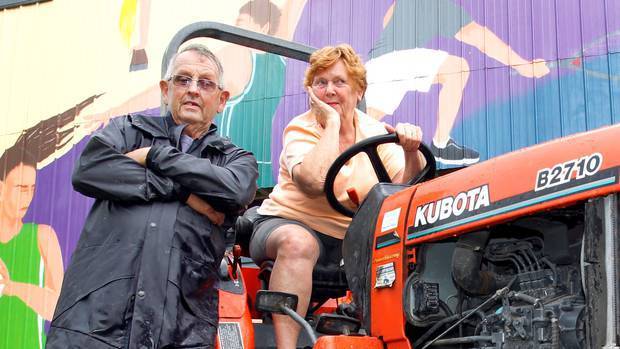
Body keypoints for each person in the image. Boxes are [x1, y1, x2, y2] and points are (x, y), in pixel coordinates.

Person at [46, 44, 259, 348]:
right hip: (94, 321)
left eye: (205, 83)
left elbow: (237, 190)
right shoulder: (128, 130)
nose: (193, 90)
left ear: (222, 99)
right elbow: (90, 168)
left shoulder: (234, 160)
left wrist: (154, 156)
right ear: (165, 89)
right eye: (183, 80)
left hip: (179, 327)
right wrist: (183, 192)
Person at [249, 44, 426, 349]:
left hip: (350, 241)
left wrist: (411, 153)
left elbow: (401, 189)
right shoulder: (301, 128)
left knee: (409, 249)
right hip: (286, 224)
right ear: (310, 91)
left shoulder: (373, 131)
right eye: (321, 82)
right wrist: (332, 122)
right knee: (297, 243)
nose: (329, 90)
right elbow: (313, 182)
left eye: (339, 82)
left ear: (359, 90)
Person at [365, 0, 550, 166]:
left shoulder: (403, 7)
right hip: (394, 62)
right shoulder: (436, 6)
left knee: (366, 125)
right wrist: (525, 67)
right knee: (457, 68)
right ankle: (440, 143)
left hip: (375, 68)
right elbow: (480, 37)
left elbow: (389, 18)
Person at [0, 147, 64, 349]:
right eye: (21, 188)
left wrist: (11, 287)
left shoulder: (42, 237)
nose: (27, 197)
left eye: (32, 189)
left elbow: (59, 308)